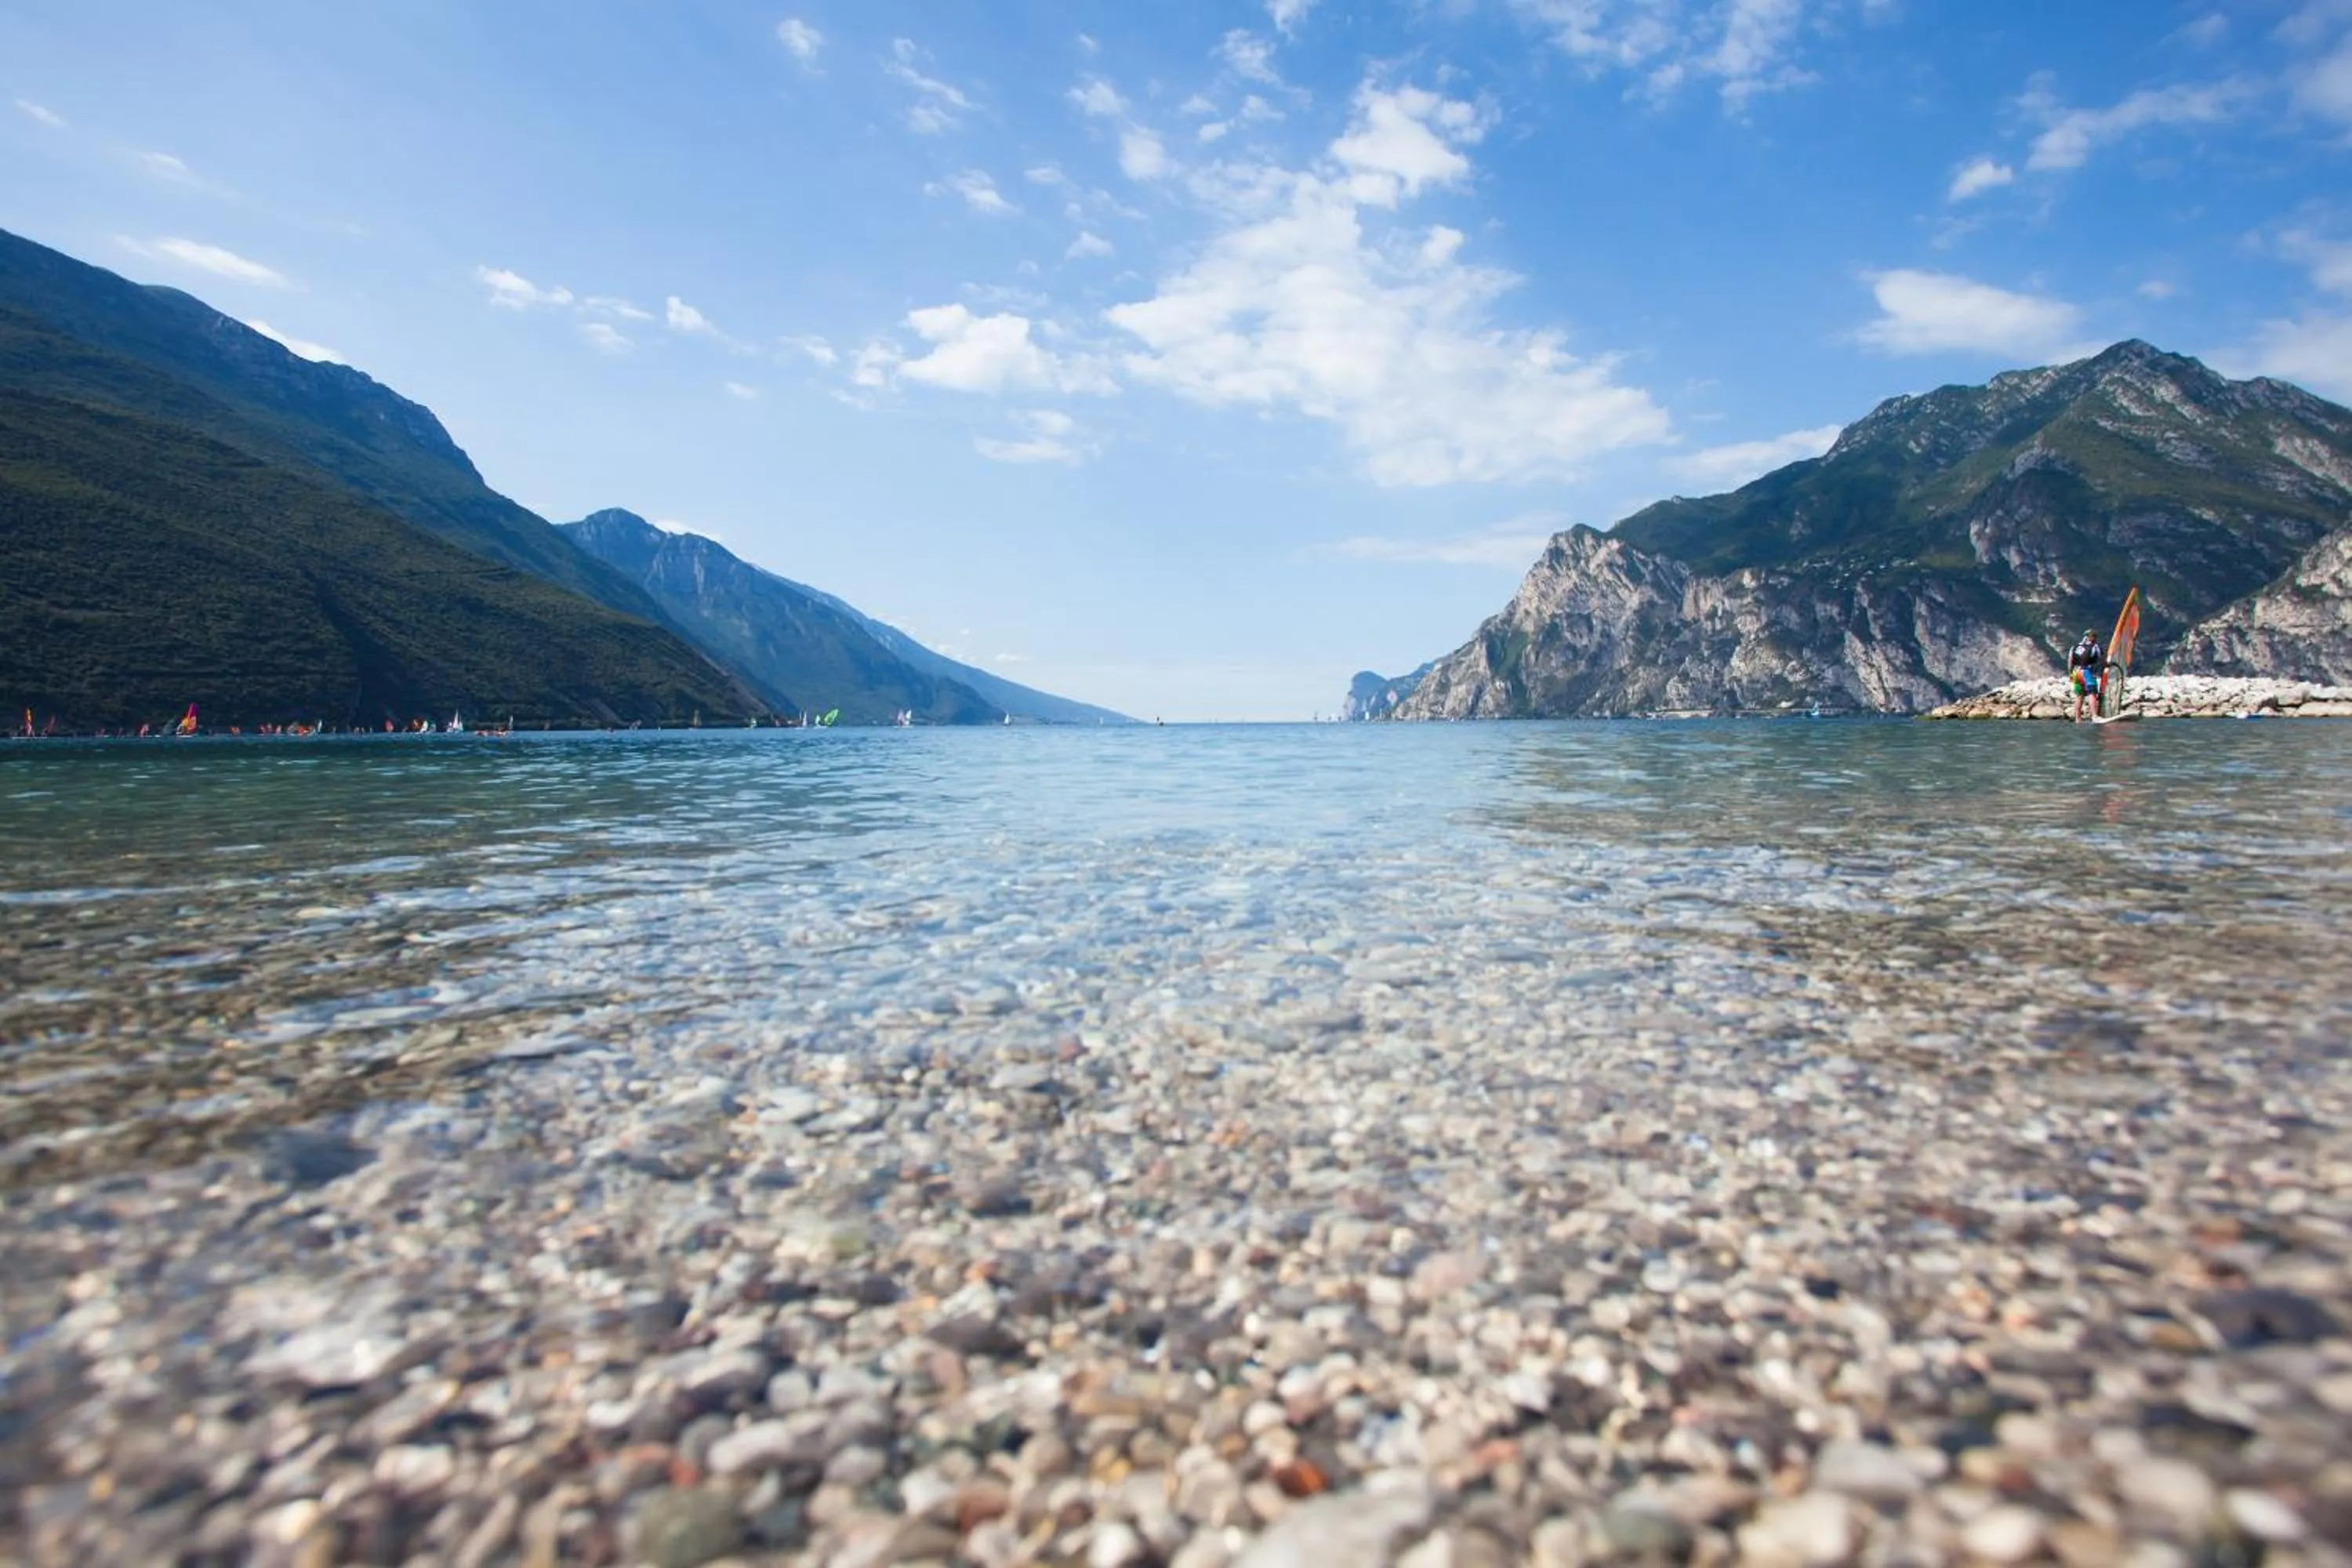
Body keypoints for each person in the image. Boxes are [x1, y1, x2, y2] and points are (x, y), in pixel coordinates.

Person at [2068, 627, 2105, 722]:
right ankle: (2094, 716)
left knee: (2079, 695)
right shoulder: (2095, 647)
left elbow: (2070, 661)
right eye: (2094, 636)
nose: (2095, 638)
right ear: (2091, 637)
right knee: (2092, 693)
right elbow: (2102, 660)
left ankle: (2078, 719)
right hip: (2087, 672)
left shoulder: (2075, 647)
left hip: (2076, 672)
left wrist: (2070, 674)